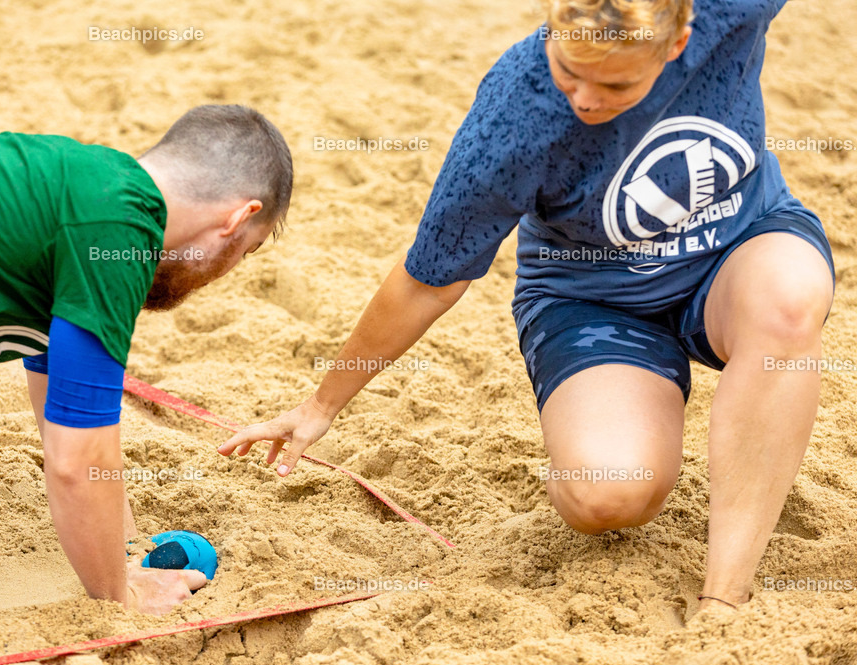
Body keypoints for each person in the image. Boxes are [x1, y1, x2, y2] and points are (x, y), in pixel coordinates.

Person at [218, 0, 834, 615]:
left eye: (615, 82)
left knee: (788, 305)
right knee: (608, 496)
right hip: (590, 294)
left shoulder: (727, 11)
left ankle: (724, 596)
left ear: (677, 46)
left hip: (737, 247)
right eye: (571, 70)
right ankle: (585, 439)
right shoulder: (517, 115)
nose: (586, 100)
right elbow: (428, 281)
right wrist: (320, 405)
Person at [0, 104, 293, 615]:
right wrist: (123, 597)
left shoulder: (87, 190)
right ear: (237, 218)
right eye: (245, 252)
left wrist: (129, 550)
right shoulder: (120, 232)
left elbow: (64, 417)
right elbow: (77, 463)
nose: (224, 273)